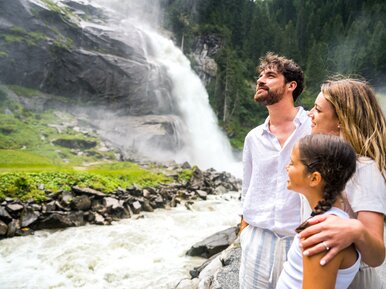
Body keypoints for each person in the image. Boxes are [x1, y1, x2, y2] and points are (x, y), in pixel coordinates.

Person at [299, 77, 386, 288]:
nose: (310, 114)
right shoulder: (323, 162)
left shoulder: (364, 169)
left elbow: (377, 256)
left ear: (341, 119)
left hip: (353, 281)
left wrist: (355, 230)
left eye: (318, 110)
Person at [239, 52, 311, 288]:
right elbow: (247, 187)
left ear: (291, 85)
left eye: (270, 75)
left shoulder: (313, 127)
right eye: (260, 75)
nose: (260, 80)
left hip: (301, 239)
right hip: (257, 239)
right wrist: (245, 232)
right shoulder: (253, 138)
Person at [276, 134, 361, 289]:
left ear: (314, 178)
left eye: (292, 163)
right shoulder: (333, 221)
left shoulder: (322, 235)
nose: (286, 167)